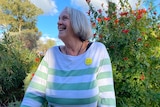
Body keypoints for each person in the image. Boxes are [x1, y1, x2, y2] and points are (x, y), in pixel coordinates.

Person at [20, 7, 116, 107]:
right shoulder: (52, 54)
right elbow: (34, 94)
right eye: (58, 19)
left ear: (77, 23)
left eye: (64, 18)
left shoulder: (97, 50)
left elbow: (107, 99)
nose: (59, 22)